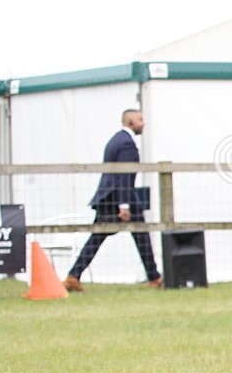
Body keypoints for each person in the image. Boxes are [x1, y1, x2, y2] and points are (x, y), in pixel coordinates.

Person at [63, 108, 163, 291]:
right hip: (118, 197)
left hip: (111, 196)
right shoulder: (126, 143)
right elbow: (124, 175)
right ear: (130, 122)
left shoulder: (117, 139)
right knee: (130, 234)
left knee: (128, 235)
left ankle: (154, 276)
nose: (143, 123)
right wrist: (124, 205)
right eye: (140, 119)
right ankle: (154, 277)